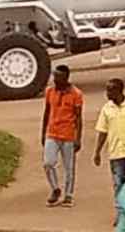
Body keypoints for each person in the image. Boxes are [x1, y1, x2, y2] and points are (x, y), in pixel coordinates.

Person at [42, 65, 83, 208]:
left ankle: (68, 195)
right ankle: (55, 189)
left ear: (65, 77)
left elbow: (78, 118)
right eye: (54, 75)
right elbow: (47, 112)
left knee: (69, 168)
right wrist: (43, 133)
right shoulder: (50, 91)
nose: (54, 79)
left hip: (68, 135)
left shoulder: (76, 94)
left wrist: (78, 138)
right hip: (52, 133)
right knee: (48, 163)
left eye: (57, 76)